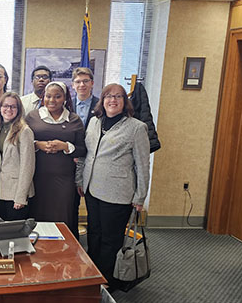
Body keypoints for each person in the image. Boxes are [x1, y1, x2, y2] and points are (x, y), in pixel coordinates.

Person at [75, 83, 149, 291]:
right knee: (94, 234)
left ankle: (107, 279)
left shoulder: (136, 127)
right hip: (92, 188)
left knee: (111, 238)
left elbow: (142, 164)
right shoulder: (94, 122)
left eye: (118, 96)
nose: (112, 100)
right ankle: (93, 273)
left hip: (118, 193)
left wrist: (140, 197)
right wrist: (79, 179)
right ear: (102, 100)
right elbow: (85, 153)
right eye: (108, 96)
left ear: (125, 102)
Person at [25, 81, 86, 234]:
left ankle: (64, 254)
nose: (52, 100)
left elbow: (82, 149)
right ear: (43, 97)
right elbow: (22, 143)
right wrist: (37, 144)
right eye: (48, 96)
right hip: (37, 177)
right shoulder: (32, 117)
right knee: (38, 217)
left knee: (62, 217)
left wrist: (65, 146)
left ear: (65, 98)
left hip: (64, 179)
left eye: (57, 97)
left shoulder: (74, 119)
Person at [0, 92, 35, 221]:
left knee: (13, 237)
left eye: (13, 106)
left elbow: (27, 166)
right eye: (5, 106)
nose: (9, 109)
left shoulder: (24, 131)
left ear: (19, 110)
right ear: (0, 108)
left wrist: (21, 197)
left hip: (16, 193)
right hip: (0, 190)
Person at [70, 66, 100, 240]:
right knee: (71, 203)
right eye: (78, 82)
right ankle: (73, 240)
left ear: (92, 83)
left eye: (85, 81)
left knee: (92, 205)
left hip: (92, 161)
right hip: (70, 160)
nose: (82, 85)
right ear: (73, 85)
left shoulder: (100, 105)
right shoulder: (66, 104)